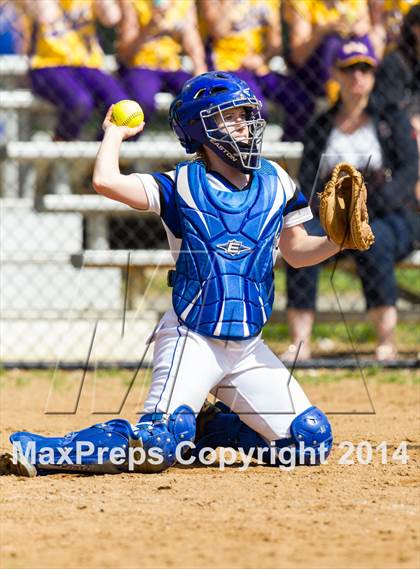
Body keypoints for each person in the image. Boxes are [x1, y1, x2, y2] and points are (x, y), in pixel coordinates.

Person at [2, 71, 341, 477]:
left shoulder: (278, 180)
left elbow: (298, 252)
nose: (245, 125)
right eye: (231, 117)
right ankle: (45, 450)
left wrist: (338, 241)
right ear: (202, 128)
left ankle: (211, 428)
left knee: (309, 440)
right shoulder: (180, 183)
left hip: (248, 347)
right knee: (157, 444)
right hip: (192, 338)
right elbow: (105, 181)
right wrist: (113, 133)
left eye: (246, 115)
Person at [284, 37, 418, 362]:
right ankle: (300, 341)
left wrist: (369, 207)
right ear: (336, 74)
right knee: (304, 241)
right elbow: (308, 179)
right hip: (334, 215)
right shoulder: (321, 125)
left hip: (390, 213)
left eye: (364, 69)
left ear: (373, 75)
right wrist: (332, 213)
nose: (357, 76)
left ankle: (385, 340)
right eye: (349, 69)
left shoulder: (389, 119)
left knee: (374, 242)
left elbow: (410, 168)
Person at [200, 0, 314, 140]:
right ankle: (242, 157)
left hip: (259, 68)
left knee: (302, 100)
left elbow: (275, 43)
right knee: (255, 108)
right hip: (227, 68)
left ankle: (284, 154)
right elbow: (218, 30)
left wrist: (262, 58)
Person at [21, 0, 128, 141]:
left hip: (87, 65)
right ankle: (59, 150)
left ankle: (100, 155)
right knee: (80, 102)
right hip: (47, 65)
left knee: (121, 106)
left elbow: (111, 18)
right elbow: (46, 16)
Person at [116, 0, 207, 123]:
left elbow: (192, 39)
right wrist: (149, 27)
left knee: (197, 97)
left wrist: (200, 71)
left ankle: (192, 139)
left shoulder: (183, 3)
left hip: (172, 67)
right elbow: (125, 54)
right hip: (141, 66)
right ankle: (125, 139)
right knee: (144, 101)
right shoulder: (133, 3)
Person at [283, 0, 385, 103]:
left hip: (347, 60)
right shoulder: (302, 3)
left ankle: (368, 92)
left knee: (369, 38)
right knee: (331, 42)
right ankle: (330, 97)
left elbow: (366, 25)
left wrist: (361, 28)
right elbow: (297, 57)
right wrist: (324, 30)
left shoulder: (354, 2)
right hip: (313, 72)